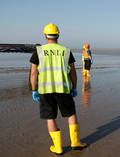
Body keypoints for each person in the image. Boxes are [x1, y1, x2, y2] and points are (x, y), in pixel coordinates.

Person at [29, 23, 87, 155]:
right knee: (71, 114)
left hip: (45, 91)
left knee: (51, 118)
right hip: (64, 89)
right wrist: (74, 87)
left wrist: (34, 89)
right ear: (58, 35)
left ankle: (58, 147)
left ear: (45, 36)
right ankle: (76, 143)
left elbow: (33, 73)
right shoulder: (66, 51)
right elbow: (73, 71)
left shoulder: (38, 51)